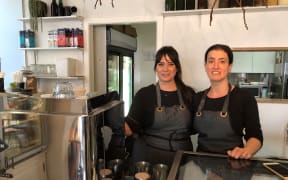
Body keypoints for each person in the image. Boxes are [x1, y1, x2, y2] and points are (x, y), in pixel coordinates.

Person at [124, 46, 195, 171]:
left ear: (177, 67)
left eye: (170, 64)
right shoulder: (144, 94)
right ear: (156, 67)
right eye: (161, 64)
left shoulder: (189, 94)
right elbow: (129, 129)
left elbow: (198, 126)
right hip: (149, 158)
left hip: (181, 159)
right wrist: (111, 116)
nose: (165, 69)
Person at [193, 44, 263, 159]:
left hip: (233, 164)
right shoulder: (197, 98)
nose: (216, 66)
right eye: (211, 61)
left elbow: (255, 135)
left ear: (230, 66)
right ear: (205, 66)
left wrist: (246, 150)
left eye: (222, 61)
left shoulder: (244, 97)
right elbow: (186, 129)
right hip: (202, 164)